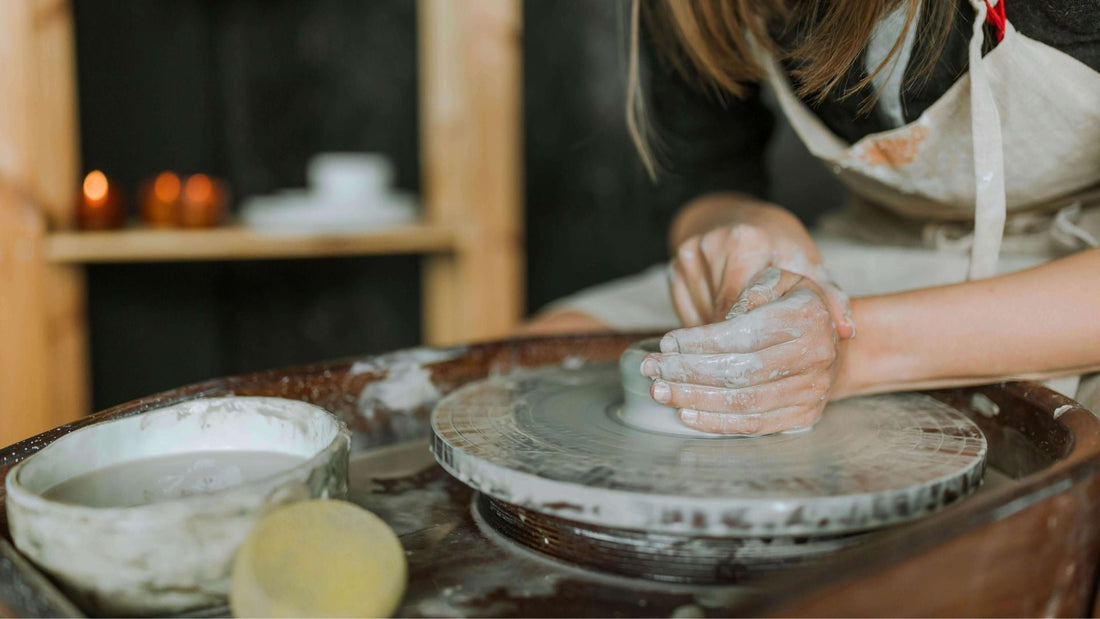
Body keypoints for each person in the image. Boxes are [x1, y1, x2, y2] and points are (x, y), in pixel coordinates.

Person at [523, 0, 1100, 435]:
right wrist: (737, 229)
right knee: (526, 368)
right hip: (877, 244)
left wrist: (851, 353)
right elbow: (703, 178)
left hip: (1071, 276)